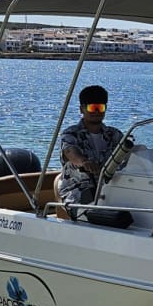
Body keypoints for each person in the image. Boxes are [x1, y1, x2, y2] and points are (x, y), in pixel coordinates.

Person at [57, 85, 125, 218]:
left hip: (110, 189)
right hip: (78, 190)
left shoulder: (115, 134)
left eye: (101, 107)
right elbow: (70, 151)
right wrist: (84, 162)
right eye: (92, 108)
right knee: (96, 214)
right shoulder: (71, 134)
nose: (97, 112)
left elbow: (130, 153)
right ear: (82, 109)